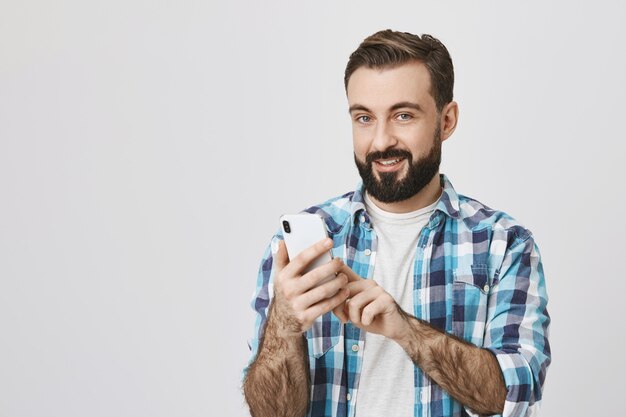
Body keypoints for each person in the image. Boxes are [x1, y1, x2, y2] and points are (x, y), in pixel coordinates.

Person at [241, 29, 551, 417]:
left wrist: (405, 330)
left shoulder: (504, 244)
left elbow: (513, 392)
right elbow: (269, 413)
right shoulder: (296, 248)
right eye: (364, 118)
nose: (381, 140)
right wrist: (284, 326)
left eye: (403, 115)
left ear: (447, 120)